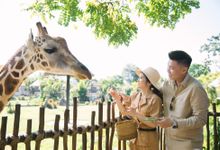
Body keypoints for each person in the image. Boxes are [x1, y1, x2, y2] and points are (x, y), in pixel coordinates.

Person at [157, 50, 209, 150]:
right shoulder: (166, 84)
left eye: (171, 68)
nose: (167, 70)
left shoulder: (196, 88)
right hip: (170, 144)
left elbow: (201, 119)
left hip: (189, 145)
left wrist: (174, 122)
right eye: (168, 66)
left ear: (184, 70)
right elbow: (154, 95)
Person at [109, 67, 163, 150]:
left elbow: (153, 122)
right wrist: (117, 98)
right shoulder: (136, 96)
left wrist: (136, 114)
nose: (138, 80)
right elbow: (124, 112)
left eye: (141, 78)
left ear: (149, 83)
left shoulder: (155, 99)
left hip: (148, 141)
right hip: (134, 139)